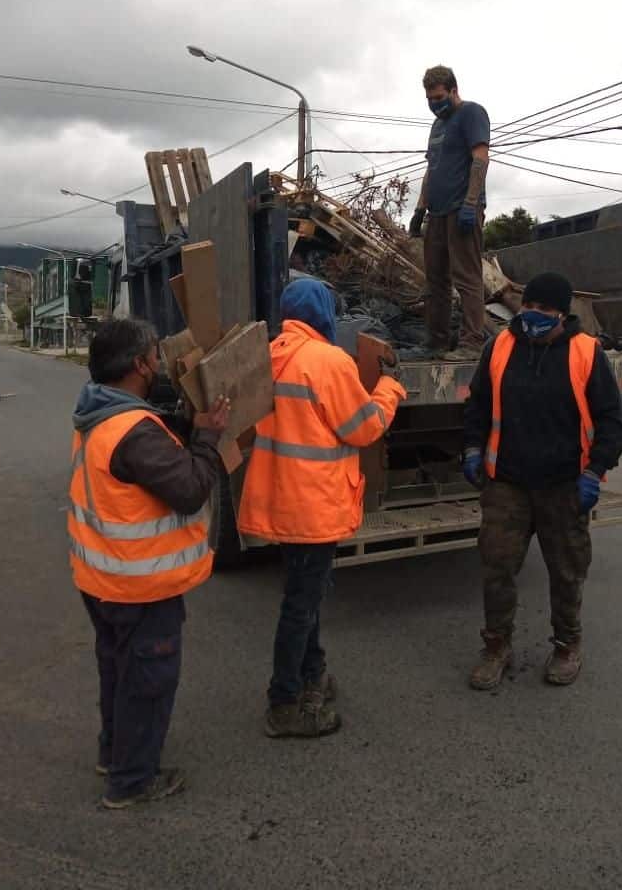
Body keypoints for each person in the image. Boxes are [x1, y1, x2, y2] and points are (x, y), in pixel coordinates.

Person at [68, 318, 230, 808]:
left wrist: (184, 427)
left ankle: (115, 753)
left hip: (103, 578)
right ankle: (133, 781)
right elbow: (188, 488)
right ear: (139, 365)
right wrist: (209, 440)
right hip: (138, 584)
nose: (160, 363)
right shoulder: (133, 432)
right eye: (155, 356)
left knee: (118, 670)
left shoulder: (100, 412)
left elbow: (149, 453)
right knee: (148, 680)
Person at [239, 278, 406, 737]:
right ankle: (285, 703)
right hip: (314, 505)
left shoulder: (267, 355)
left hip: (282, 501)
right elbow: (364, 428)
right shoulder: (328, 362)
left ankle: (313, 674)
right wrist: (390, 388)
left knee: (303, 595)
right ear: (325, 314)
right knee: (300, 604)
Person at [461, 273, 622, 689]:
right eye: (529, 307)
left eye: (544, 310)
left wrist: (594, 472)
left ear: (562, 314)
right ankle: (496, 647)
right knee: (496, 567)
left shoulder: (586, 353)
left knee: (567, 571)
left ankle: (567, 646)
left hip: (564, 486)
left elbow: (613, 423)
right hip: (507, 484)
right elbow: (477, 405)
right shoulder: (499, 346)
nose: (534, 316)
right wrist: (472, 448)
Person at [409, 65, 491, 360]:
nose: (435, 104)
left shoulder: (471, 113)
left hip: (462, 209)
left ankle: (472, 343)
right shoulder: (438, 126)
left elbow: (481, 158)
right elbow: (431, 169)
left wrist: (471, 203)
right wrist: (420, 208)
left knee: (467, 277)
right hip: (438, 212)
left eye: (439, 97)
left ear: (454, 90)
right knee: (435, 280)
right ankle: (437, 342)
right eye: (430, 99)